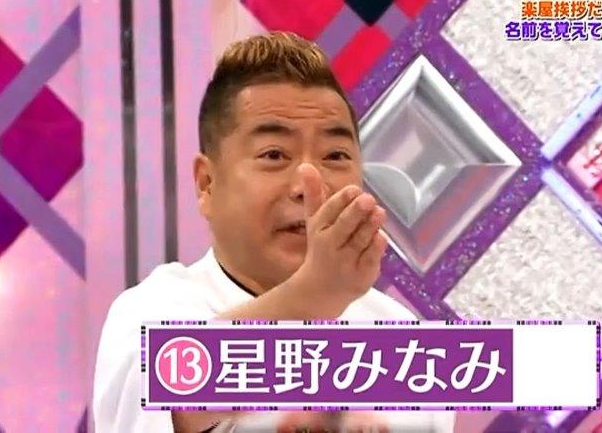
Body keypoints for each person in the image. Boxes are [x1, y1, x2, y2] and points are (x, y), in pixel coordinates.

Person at [92, 31, 457, 433]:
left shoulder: (402, 335)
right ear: (207, 184)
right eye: (274, 155)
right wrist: (311, 297)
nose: (308, 182)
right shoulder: (152, 313)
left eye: (335, 155)